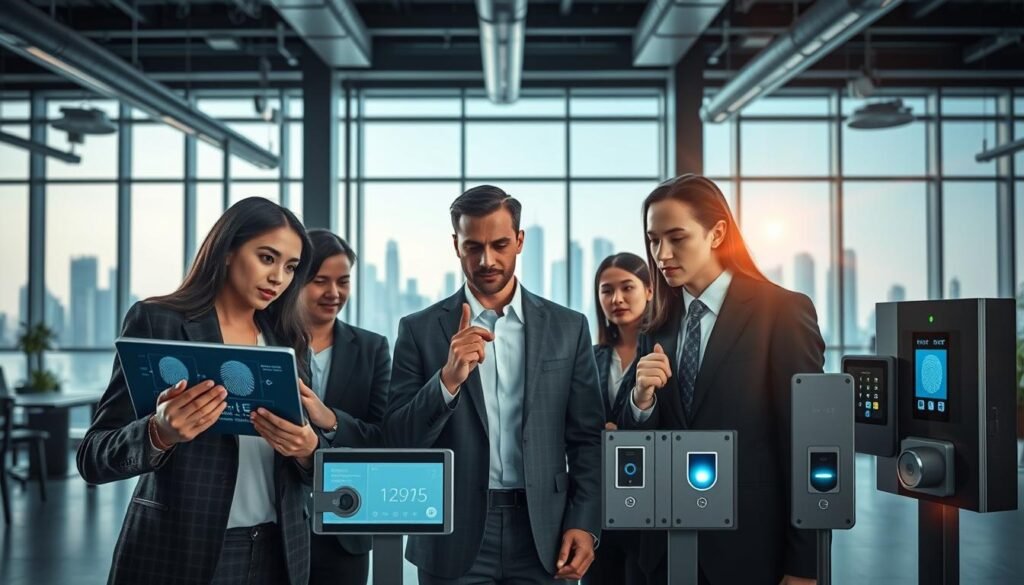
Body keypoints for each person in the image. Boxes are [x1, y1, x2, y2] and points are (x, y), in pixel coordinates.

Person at [77, 197, 321, 585]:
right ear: (226, 252)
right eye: (267, 258)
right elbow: (93, 457)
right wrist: (159, 433)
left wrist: (309, 450)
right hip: (180, 550)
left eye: (290, 267)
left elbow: (312, 466)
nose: (279, 277)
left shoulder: (289, 341)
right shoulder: (159, 323)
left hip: (280, 552)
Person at [384, 185, 605, 584]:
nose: (487, 260)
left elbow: (587, 438)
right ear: (456, 245)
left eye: (500, 244)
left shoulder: (568, 328)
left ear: (519, 241)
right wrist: (447, 380)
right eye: (473, 247)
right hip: (450, 534)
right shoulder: (418, 331)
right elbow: (398, 439)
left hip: (545, 534)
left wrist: (585, 522)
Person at [619, 174, 824, 585]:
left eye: (677, 238)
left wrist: (804, 566)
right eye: (654, 240)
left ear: (717, 233)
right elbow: (632, 446)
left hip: (748, 551)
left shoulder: (781, 312)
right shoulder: (655, 327)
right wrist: (641, 400)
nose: (662, 254)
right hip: (663, 552)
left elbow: (807, 444)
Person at [299, 228, 391, 585]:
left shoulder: (373, 349)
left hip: (345, 522)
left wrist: (332, 420)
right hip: (275, 520)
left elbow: (382, 436)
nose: (333, 293)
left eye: (343, 282)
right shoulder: (267, 343)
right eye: (320, 281)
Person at [582, 252, 652, 585]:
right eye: (606, 290)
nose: (617, 299)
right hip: (599, 505)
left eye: (628, 287)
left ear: (649, 291)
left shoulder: (664, 353)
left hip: (649, 506)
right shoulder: (590, 358)